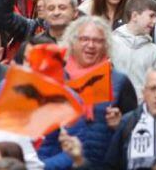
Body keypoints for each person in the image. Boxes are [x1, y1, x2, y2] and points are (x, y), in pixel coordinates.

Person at [37, 16, 138, 169]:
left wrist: (120, 124)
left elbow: (135, 130)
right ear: (72, 41)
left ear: (106, 45)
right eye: (84, 39)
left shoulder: (120, 81)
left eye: (97, 41)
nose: (90, 45)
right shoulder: (54, 79)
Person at [110, 0, 156, 100]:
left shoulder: (153, 51)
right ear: (135, 16)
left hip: (140, 108)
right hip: (114, 105)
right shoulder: (112, 42)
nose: (155, 21)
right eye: (151, 16)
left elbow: (154, 83)